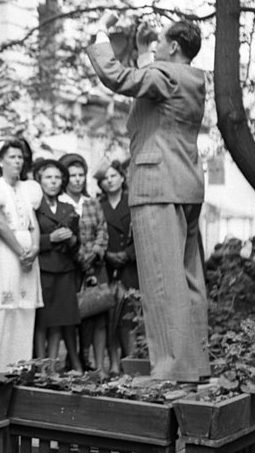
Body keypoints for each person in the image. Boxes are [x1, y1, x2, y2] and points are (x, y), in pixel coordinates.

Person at [85, 12, 209, 383]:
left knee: (159, 279)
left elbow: (117, 78)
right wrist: (142, 51)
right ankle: (194, 365)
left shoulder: (165, 74)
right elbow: (149, 92)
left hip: (156, 185)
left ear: (172, 46)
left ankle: (169, 369)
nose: (155, 48)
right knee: (188, 280)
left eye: (160, 44)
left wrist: (99, 33)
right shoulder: (190, 78)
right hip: (185, 184)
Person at [0, 139, 42, 372]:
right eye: (12, 157)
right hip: (8, 253)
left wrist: (35, 249)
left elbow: (33, 223)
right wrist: (20, 252)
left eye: (20, 157)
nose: (17, 161)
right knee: (5, 307)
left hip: (29, 253)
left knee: (25, 309)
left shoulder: (29, 188)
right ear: (0, 161)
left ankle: (21, 367)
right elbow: (0, 223)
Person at [60, 153, 109, 376]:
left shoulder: (92, 203)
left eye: (81, 175)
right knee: (72, 315)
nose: (78, 179)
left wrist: (94, 253)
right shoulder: (60, 203)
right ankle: (74, 359)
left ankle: (95, 363)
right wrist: (80, 257)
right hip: (70, 266)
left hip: (95, 264)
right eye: (73, 175)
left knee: (97, 314)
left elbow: (102, 230)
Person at [32, 158, 81, 371]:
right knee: (42, 321)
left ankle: (51, 367)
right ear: (39, 180)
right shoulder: (34, 206)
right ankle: (41, 366)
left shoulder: (68, 207)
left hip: (65, 270)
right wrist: (49, 239)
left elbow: (77, 243)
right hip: (42, 269)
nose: (54, 182)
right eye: (48, 177)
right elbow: (27, 236)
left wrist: (71, 238)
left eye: (58, 178)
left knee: (59, 321)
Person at [95, 159, 138, 375]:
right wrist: (108, 255)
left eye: (113, 176)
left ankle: (129, 361)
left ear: (122, 177)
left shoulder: (133, 202)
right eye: (105, 178)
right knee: (109, 316)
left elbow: (143, 232)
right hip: (106, 266)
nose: (110, 181)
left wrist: (127, 254)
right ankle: (112, 362)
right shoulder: (97, 205)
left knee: (129, 316)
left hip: (130, 266)